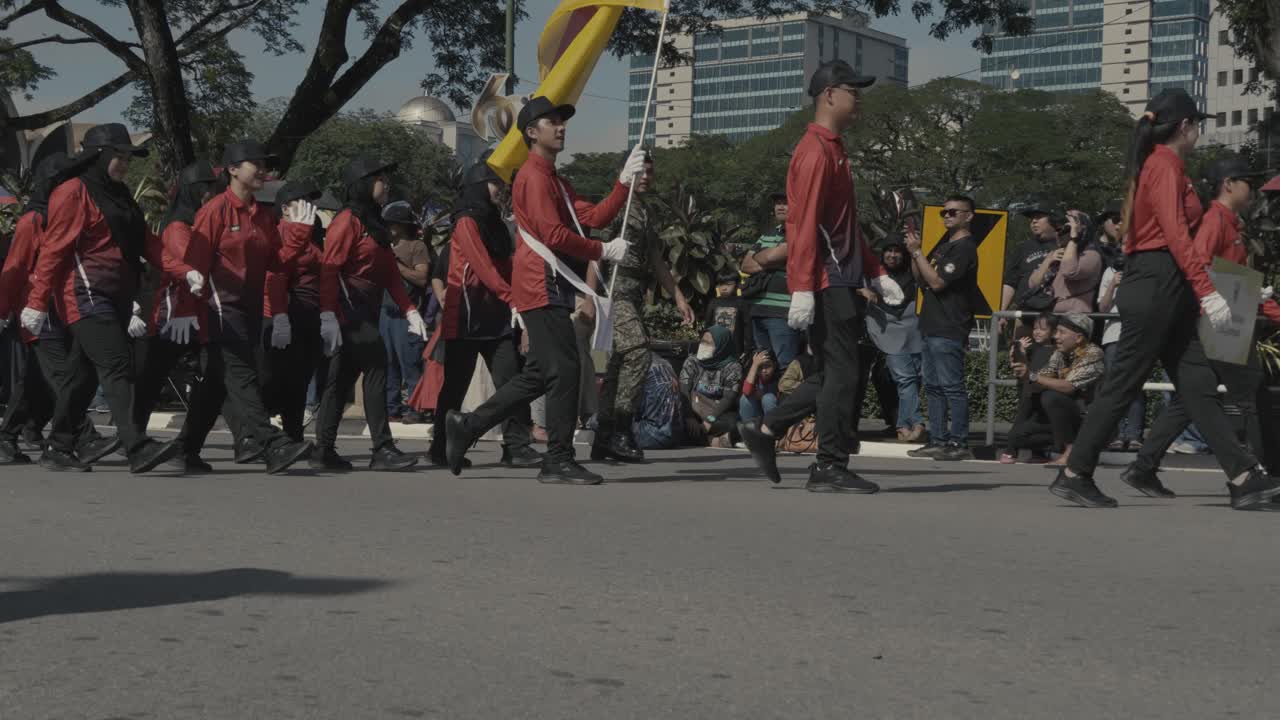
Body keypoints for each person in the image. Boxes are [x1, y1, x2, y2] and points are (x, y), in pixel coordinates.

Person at [1050, 88, 1279, 510]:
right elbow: (1175, 235)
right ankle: (1075, 471)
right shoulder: (1164, 165)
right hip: (1157, 280)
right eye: (1199, 125)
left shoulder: (1165, 166)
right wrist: (1208, 292)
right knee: (1123, 384)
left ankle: (1243, 475)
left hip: (1166, 283)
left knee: (1197, 384)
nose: (1199, 134)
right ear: (1186, 125)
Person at [443, 96, 643, 484]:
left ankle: (467, 426)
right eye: (552, 122)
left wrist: (622, 183)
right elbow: (553, 234)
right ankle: (558, 458)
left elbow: (592, 217)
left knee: (539, 375)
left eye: (562, 122)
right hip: (541, 285)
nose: (562, 127)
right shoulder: (534, 177)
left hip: (550, 286)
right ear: (531, 133)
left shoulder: (555, 179)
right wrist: (602, 249)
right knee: (564, 370)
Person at [738, 60, 903, 493]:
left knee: (834, 372)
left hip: (843, 277)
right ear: (829, 94)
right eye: (854, 90)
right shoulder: (814, 151)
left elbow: (845, 224)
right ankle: (828, 465)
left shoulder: (835, 148)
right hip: (829, 281)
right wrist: (804, 287)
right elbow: (804, 224)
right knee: (844, 373)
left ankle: (767, 429)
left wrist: (876, 270)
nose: (860, 98)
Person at [19, 124, 181, 472]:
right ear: (98, 155)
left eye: (127, 156)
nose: (124, 162)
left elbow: (148, 243)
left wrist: (186, 270)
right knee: (117, 364)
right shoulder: (73, 191)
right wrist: (35, 302)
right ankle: (136, 446)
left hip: (118, 294)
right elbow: (54, 249)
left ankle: (58, 447)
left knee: (83, 375)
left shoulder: (120, 194)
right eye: (118, 155)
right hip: (84, 294)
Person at [1119, 153, 1280, 499]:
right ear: (1229, 185)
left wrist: (1251, 295)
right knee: (1252, 394)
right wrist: (1242, 295)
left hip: (1222, 316)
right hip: (1221, 321)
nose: (1252, 189)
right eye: (1247, 182)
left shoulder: (1229, 221)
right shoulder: (1215, 221)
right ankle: (1264, 474)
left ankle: (1143, 467)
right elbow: (1202, 267)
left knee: (1191, 399)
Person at [184, 138, 318, 475]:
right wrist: (187, 310)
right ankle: (272, 444)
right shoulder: (214, 210)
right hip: (219, 308)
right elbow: (193, 265)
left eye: (265, 163)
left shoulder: (261, 214)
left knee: (214, 386)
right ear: (232, 169)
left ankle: (183, 450)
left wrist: (300, 234)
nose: (262, 169)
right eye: (255, 163)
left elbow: (278, 262)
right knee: (243, 376)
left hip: (250, 309)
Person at [0, 153, 113, 466]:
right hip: (38, 314)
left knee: (35, 383)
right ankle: (86, 438)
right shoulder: (32, 221)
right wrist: (2, 311)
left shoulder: (73, 217)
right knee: (64, 377)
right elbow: (16, 268)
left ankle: (6, 437)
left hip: (64, 309)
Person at [427, 159, 541, 469]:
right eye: (495, 184)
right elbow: (484, 268)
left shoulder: (497, 225)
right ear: (479, 186)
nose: (501, 190)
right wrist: (512, 299)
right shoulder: (466, 223)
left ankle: (516, 446)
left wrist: (519, 298)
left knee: (511, 382)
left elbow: (508, 266)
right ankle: (439, 448)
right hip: (466, 315)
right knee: (454, 387)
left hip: (496, 317)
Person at [314, 157, 426, 471]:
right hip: (348, 308)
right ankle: (382, 448)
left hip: (367, 306)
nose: (386, 184)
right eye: (379, 179)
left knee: (342, 378)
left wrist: (410, 310)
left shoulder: (373, 221)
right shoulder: (346, 221)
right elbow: (329, 269)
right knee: (378, 365)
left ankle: (323, 450)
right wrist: (327, 315)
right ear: (362, 183)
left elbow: (389, 273)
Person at [592, 150, 694, 464]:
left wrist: (677, 295)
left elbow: (655, 259)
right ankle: (622, 429)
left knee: (618, 366)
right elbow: (594, 252)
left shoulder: (645, 210)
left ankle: (604, 437)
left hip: (634, 292)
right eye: (641, 171)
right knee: (637, 350)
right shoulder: (616, 205)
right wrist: (590, 297)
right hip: (614, 290)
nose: (647, 177)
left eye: (650, 171)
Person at [129, 160, 221, 471]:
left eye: (212, 188)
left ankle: (187, 447)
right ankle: (133, 439)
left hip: (200, 313)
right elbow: (184, 267)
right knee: (150, 381)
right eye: (204, 188)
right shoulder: (177, 227)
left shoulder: (200, 223)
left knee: (214, 378)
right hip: (173, 315)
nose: (209, 193)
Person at [905, 196, 980, 461]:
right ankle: (938, 439)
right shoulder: (946, 246)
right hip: (931, 324)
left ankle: (958, 442)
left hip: (950, 326)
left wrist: (917, 253)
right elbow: (921, 277)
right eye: (943, 212)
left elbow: (937, 283)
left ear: (968, 216)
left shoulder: (965, 248)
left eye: (952, 212)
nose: (946, 216)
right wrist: (915, 252)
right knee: (934, 387)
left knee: (952, 387)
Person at [261, 181, 326, 444]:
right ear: (286, 209)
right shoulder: (280, 236)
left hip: (309, 316)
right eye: (303, 201)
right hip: (284, 315)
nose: (310, 207)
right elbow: (276, 276)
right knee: (275, 380)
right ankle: (258, 435)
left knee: (299, 380)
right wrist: (279, 317)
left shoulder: (309, 237)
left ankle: (294, 435)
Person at [1007, 313, 1104, 467]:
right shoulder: (1059, 353)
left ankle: (1072, 451)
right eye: (1056, 332)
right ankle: (1072, 448)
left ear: (1078, 338)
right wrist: (1023, 363)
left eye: (1061, 332)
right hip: (1068, 417)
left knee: (1052, 397)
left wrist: (1031, 376)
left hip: (1091, 420)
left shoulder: (1093, 354)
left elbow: (1068, 386)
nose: (1056, 336)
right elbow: (1039, 380)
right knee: (1016, 437)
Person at [864, 241, 924, 442]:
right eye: (888, 250)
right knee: (906, 379)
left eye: (897, 251)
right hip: (887, 334)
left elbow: (922, 278)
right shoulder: (872, 275)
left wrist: (916, 250)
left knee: (913, 379)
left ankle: (904, 424)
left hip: (914, 332)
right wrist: (863, 291)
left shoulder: (913, 274)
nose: (892, 255)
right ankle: (912, 423)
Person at [380, 200, 430, 423]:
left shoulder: (416, 247)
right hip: (384, 313)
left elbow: (422, 277)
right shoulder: (383, 246)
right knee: (387, 364)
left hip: (406, 315)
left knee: (410, 363)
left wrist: (396, 266)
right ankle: (391, 408)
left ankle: (416, 407)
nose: (389, 227)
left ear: (401, 225)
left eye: (393, 223)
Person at [741, 192, 802, 368]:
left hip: (782, 312)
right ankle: (769, 397)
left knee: (786, 366)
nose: (780, 207)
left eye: (785, 203)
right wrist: (775, 261)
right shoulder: (767, 234)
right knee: (763, 367)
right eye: (777, 204)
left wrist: (766, 258)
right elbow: (745, 265)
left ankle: (788, 397)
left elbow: (764, 259)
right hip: (757, 310)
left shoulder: (800, 233)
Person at [1096, 252, 1145, 451]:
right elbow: (1103, 308)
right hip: (1112, 336)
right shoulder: (1110, 271)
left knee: (1136, 385)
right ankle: (1116, 434)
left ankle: (1134, 434)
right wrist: (1113, 285)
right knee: (1113, 385)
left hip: (1138, 334)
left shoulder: (1145, 270)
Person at [1000, 314, 1059, 463]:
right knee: (1021, 419)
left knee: (1038, 422)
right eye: (1035, 328)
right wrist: (1020, 350)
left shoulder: (1056, 351)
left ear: (1053, 332)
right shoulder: (1032, 347)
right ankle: (1010, 451)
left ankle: (1038, 453)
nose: (1037, 332)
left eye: (1043, 329)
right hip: (1029, 391)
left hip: (1046, 391)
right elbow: (1018, 365)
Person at [999, 196, 1061, 332]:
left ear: (1053, 218)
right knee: (1020, 350)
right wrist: (1002, 312)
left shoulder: (1065, 244)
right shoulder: (1023, 248)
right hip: (1025, 314)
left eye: (1039, 217)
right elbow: (1010, 282)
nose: (1034, 221)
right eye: (1032, 218)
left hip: (1055, 315)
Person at [1025, 207, 1103, 313]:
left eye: (1066, 229)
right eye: (1057, 230)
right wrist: (1048, 261)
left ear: (1082, 230)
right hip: (1049, 318)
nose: (1060, 233)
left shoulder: (1091, 255)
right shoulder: (1055, 255)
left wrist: (1073, 238)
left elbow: (1069, 271)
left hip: (1072, 319)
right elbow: (1033, 284)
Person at [680, 326, 744, 447]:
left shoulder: (733, 367)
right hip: (693, 412)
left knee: (734, 423)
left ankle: (699, 439)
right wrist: (689, 417)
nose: (703, 346)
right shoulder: (692, 361)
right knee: (676, 423)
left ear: (721, 346)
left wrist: (710, 420)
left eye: (709, 343)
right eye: (703, 342)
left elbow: (728, 398)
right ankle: (713, 441)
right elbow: (684, 390)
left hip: (717, 415)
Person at [631, 353, 682, 450]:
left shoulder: (635, 366)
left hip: (652, 434)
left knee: (599, 421)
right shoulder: (665, 362)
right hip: (676, 433)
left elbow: (630, 406)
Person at [703, 272, 748, 359]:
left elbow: (747, 326)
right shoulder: (713, 302)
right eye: (721, 284)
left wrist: (747, 349)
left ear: (737, 285)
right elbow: (707, 325)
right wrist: (706, 347)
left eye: (728, 284)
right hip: (715, 347)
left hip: (735, 348)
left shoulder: (741, 303)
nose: (724, 288)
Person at [738, 350, 778, 422]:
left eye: (768, 366)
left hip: (771, 417)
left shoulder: (778, 379)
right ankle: (749, 430)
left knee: (768, 398)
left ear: (774, 365)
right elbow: (747, 391)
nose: (764, 370)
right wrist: (755, 365)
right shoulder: (752, 376)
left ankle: (771, 429)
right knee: (745, 399)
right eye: (760, 367)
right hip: (756, 415)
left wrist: (762, 396)